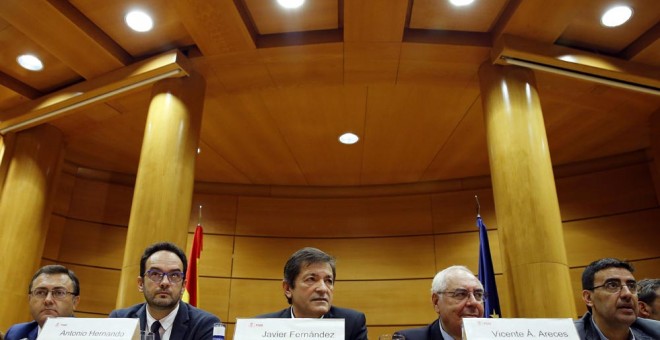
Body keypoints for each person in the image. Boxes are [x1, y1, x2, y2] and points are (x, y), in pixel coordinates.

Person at [109, 242, 220, 340]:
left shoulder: (205, 325)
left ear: (183, 286)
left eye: (174, 275)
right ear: (141, 283)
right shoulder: (120, 320)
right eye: (155, 274)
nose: (165, 282)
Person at [256, 247, 368, 340]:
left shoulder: (351, 324)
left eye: (328, 281)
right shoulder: (261, 328)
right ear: (288, 289)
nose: (323, 289)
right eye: (311, 279)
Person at [574, 258, 660, 340]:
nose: (627, 293)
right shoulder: (570, 335)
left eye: (631, 286)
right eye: (612, 285)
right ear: (588, 298)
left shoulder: (655, 333)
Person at [395, 265, 485, 340]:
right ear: (436, 302)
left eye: (478, 294)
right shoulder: (407, 339)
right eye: (460, 294)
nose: (473, 302)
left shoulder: (493, 336)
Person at [5, 265, 80, 340]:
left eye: (59, 293)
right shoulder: (15, 334)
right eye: (40, 292)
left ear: (75, 302)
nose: (48, 300)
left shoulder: (87, 335)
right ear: (30, 299)